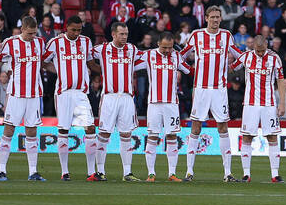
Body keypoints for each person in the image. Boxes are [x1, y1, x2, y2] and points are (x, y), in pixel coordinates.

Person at [180, 6, 242, 182]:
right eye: (212, 17)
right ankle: (189, 172)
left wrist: (233, 67)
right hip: (201, 89)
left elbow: (240, 56)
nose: (215, 20)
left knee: (223, 127)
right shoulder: (197, 35)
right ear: (206, 18)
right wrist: (188, 70)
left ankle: (228, 173)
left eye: (218, 17)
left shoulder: (226, 36)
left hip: (219, 90)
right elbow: (181, 56)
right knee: (196, 127)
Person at [45, 15, 97, 181]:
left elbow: (91, 64)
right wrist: (58, 71)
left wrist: (107, 71)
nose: (76, 33)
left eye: (79, 30)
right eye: (73, 30)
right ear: (66, 28)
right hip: (63, 93)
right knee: (63, 130)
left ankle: (91, 172)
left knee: (90, 128)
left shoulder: (86, 42)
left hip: (81, 93)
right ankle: (64, 172)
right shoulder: (55, 43)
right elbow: (43, 62)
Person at [90, 22, 142, 181]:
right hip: (109, 97)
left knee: (126, 134)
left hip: (126, 97)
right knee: (104, 133)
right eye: (121, 34)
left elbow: (147, 57)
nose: (124, 37)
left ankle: (127, 172)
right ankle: (100, 171)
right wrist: (100, 70)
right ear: (113, 34)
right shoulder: (102, 49)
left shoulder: (132, 49)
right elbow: (85, 57)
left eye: (126, 34)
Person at [0, 15, 46, 181]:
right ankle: (1, 170)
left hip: (34, 95)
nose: (32, 36)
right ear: (22, 29)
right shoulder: (10, 43)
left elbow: (45, 61)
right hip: (16, 94)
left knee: (32, 131)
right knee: (9, 129)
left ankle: (33, 171)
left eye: (34, 33)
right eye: (30, 33)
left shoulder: (40, 42)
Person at [236, 34, 286, 183]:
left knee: (272, 136)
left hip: (269, 104)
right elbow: (231, 68)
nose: (259, 53)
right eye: (257, 51)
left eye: (262, 50)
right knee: (247, 137)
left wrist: (282, 102)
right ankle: (246, 174)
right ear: (253, 47)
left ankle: (275, 174)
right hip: (250, 104)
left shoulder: (274, 58)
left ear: (266, 46)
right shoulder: (245, 57)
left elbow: (281, 80)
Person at [143, 30, 190, 181]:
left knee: (172, 136)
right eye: (164, 48)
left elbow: (188, 70)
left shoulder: (176, 56)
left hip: (171, 103)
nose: (168, 51)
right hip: (154, 103)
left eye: (170, 47)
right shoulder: (148, 55)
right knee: (152, 136)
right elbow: (130, 65)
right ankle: (151, 173)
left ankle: (172, 173)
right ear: (158, 44)